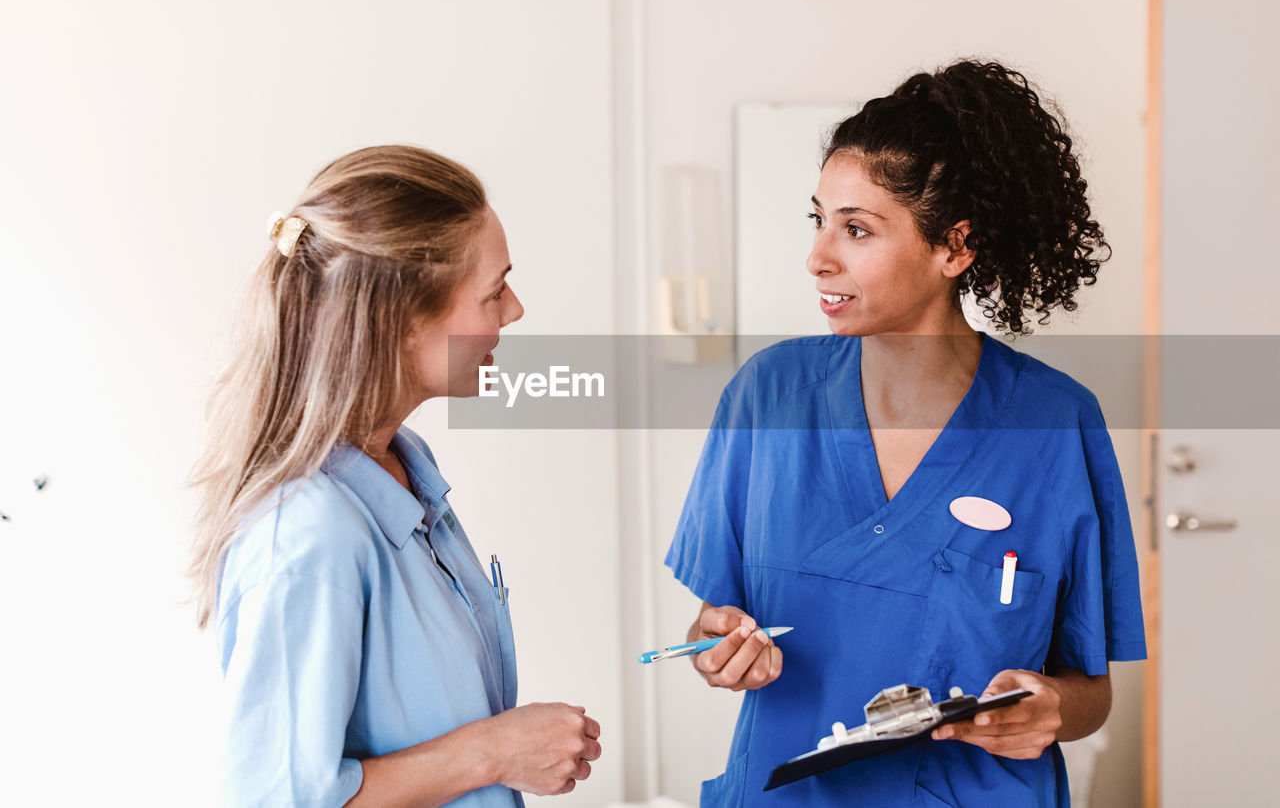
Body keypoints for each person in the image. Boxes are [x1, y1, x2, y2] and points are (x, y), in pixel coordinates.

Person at [665, 61, 1146, 805]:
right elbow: (711, 619)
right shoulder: (768, 396)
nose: (818, 256)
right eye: (818, 219)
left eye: (856, 228)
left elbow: (1089, 691)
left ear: (954, 247)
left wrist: (1049, 709)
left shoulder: (1055, 425)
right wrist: (718, 645)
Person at [189, 145, 601, 807]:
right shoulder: (304, 535)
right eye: (494, 291)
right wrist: (495, 750)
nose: (515, 310)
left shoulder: (407, 468)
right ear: (403, 321)